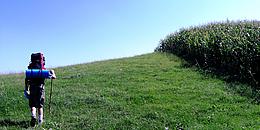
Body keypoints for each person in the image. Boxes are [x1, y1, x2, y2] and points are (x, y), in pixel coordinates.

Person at [24, 53, 56, 127]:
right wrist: (53, 75)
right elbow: (52, 73)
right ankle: (40, 122)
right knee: (40, 106)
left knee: (33, 105)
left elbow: (26, 80)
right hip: (40, 88)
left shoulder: (31, 70)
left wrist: (26, 89)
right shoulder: (43, 69)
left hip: (32, 88)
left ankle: (33, 115)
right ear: (42, 61)